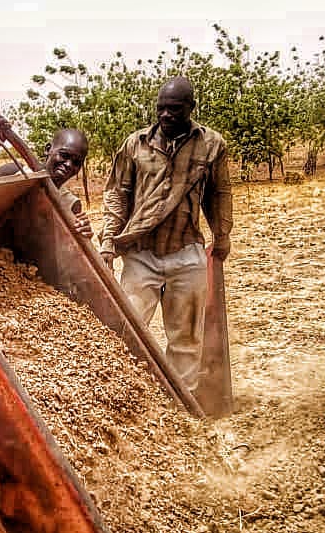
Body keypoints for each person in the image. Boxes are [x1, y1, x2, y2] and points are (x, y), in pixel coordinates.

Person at [98, 76, 232, 393]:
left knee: (185, 339)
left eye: (174, 109)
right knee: (126, 329)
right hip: (140, 254)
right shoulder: (135, 144)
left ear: (191, 108)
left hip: (186, 254)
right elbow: (117, 193)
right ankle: (129, 395)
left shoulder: (212, 144)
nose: (166, 115)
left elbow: (219, 193)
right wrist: (108, 240)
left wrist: (222, 235)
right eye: (161, 109)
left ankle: (182, 405)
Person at [0, 127, 93, 238]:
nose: (69, 164)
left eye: (76, 162)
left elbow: (69, 246)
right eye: (64, 155)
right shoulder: (15, 173)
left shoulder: (70, 204)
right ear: (48, 149)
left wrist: (83, 233)